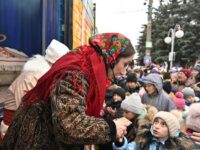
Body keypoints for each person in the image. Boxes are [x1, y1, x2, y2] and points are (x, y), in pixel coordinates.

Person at [1, 33, 134, 149]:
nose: (124, 71)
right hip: (37, 141)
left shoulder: (88, 69)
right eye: (125, 64)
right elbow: (68, 125)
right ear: (112, 57)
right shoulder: (77, 73)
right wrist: (112, 128)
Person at [0, 39, 69, 142]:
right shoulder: (30, 77)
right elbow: (27, 112)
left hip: (32, 128)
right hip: (13, 133)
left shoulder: (47, 77)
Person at [112, 111, 196, 150]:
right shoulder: (143, 139)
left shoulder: (179, 147)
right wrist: (120, 143)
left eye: (163, 124)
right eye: (156, 122)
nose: (156, 127)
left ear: (171, 130)